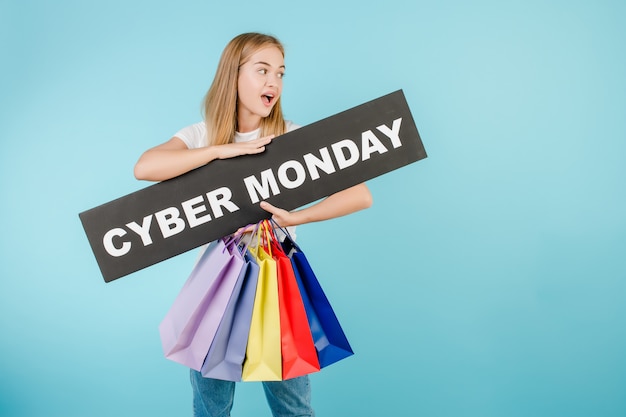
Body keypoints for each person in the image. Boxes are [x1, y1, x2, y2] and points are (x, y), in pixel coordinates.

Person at [134, 32, 372, 417]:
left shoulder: (290, 137)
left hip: (280, 293)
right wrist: (218, 151)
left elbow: (360, 193)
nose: (273, 82)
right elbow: (145, 167)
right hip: (215, 294)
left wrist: (297, 217)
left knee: (293, 406)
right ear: (234, 75)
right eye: (262, 70)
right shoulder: (200, 135)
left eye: (279, 73)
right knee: (210, 407)